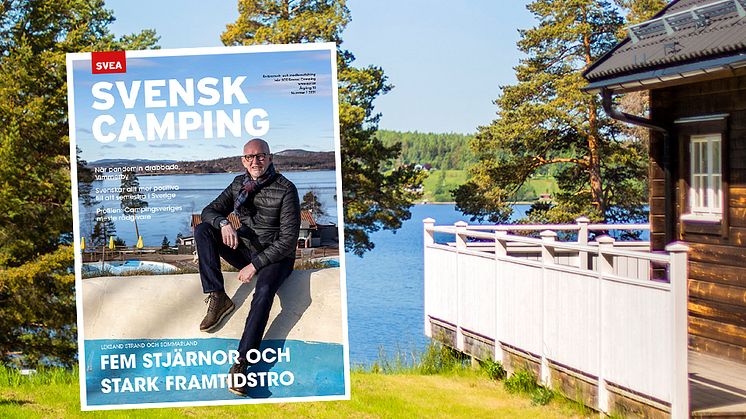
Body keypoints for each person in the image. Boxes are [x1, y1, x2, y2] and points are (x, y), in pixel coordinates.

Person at [195, 138, 300, 396]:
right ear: (243, 160)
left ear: (270, 157)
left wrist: (255, 265)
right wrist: (223, 223)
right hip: (247, 249)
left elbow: (288, 241)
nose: (255, 161)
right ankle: (218, 297)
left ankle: (242, 363)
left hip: (276, 257)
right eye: (250, 157)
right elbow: (208, 211)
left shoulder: (286, 189)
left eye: (261, 156)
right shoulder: (238, 184)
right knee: (203, 230)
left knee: (263, 293)